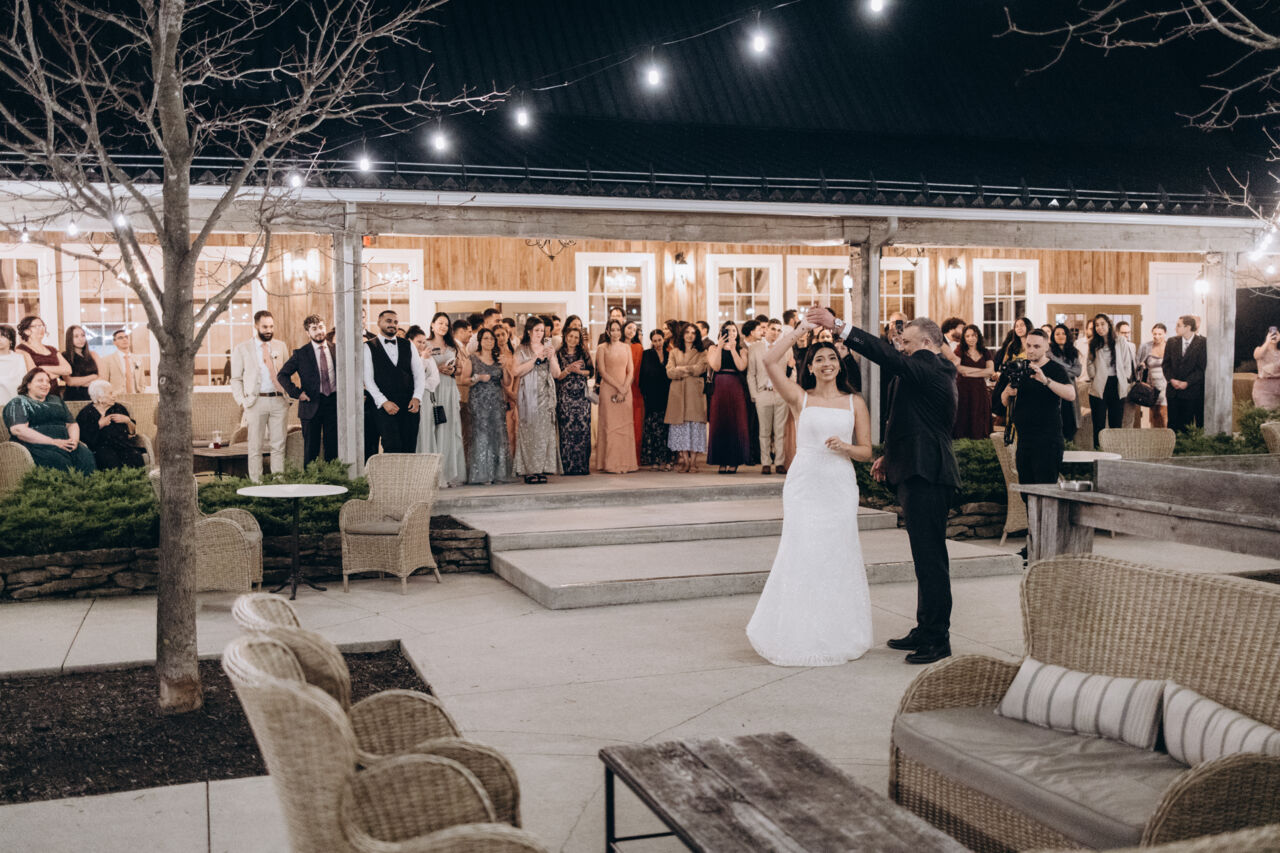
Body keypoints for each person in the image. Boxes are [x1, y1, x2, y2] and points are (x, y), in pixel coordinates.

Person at [807, 307, 959, 665]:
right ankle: (925, 627)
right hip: (916, 468)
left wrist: (838, 326)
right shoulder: (923, 371)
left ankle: (937, 639)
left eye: (907, 343)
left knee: (931, 560)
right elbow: (912, 420)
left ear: (927, 343)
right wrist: (890, 456)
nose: (901, 348)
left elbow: (885, 356)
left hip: (929, 474)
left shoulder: (932, 367)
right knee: (924, 558)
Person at [746, 323, 873, 667]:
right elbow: (770, 362)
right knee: (801, 551)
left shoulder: (854, 402)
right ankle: (797, 629)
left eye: (832, 358)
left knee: (836, 554)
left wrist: (846, 447)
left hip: (839, 484)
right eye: (819, 359)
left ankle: (835, 630)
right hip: (805, 483)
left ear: (840, 365)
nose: (827, 363)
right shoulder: (800, 398)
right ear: (811, 367)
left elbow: (866, 451)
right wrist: (799, 330)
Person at [1001, 330, 1074, 486]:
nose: (1031, 350)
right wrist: (1007, 392)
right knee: (1026, 492)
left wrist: (1045, 380)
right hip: (1024, 439)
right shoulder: (1020, 367)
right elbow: (1004, 402)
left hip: (1048, 439)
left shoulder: (1056, 369)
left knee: (1045, 490)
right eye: (1028, 345)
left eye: (1036, 346)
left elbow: (1071, 394)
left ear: (1046, 347)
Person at [229, 310, 293, 481]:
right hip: (255, 402)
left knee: (278, 446)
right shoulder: (242, 349)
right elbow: (235, 379)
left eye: (271, 326)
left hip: (279, 401)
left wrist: (288, 396)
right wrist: (242, 402)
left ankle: (279, 483)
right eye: (265, 327)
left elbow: (287, 374)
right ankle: (256, 485)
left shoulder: (281, 346)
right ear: (256, 326)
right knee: (255, 447)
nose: (269, 330)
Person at [2, 368, 95, 473]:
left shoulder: (56, 400)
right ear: (28, 384)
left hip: (64, 443)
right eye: (40, 380)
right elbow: (18, 430)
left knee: (86, 456)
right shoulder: (19, 402)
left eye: (48, 381)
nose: (45, 384)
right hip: (37, 446)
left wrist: (74, 441)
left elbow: (71, 424)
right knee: (58, 461)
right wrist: (53, 442)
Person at [363, 309, 429, 455]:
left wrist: (417, 397)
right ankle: (390, 472)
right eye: (388, 321)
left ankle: (407, 472)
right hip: (383, 405)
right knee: (392, 445)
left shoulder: (408, 345)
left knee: (409, 446)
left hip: (409, 404)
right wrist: (384, 402)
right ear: (379, 322)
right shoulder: (368, 347)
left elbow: (419, 374)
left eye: (395, 322)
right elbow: (368, 379)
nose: (392, 324)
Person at [277, 314, 338, 466]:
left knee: (333, 449)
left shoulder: (337, 349)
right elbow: (282, 375)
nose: (319, 331)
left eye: (321, 327)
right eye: (314, 328)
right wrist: (298, 393)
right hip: (311, 405)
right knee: (311, 450)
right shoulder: (301, 354)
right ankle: (311, 480)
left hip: (334, 404)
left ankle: (334, 478)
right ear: (308, 332)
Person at [417, 312, 466, 487]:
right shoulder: (426, 344)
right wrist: (437, 368)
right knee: (431, 428)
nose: (443, 327)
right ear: (432, 325)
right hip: (432, 389)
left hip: (448, 387)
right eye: (440, 323)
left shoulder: (453, 345)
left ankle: (447, 473)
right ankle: (430, 475)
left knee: (448, 428)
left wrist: (452, 370)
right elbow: (419, 368)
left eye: (446, 324)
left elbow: (460, 369)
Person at [510, 317, 561, 483]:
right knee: (529, 432)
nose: (539, 333)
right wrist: (535, 359)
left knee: (544, 432)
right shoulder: (522, 349)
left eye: (542, 331)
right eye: (536, 330)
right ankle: (529, 470)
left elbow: (557, 374)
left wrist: (551, 357)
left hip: (545, 395)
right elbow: (516, 371)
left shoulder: (548, 348)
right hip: (528, 395)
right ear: (529, 331)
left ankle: (542, 468)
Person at [465, 327, 512, 485]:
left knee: (497, 433)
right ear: (480, 341)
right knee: (481, 435)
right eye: (486, 338)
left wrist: (505, 366)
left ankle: (499, 473)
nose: (489, 341)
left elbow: (507, 382)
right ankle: (482, 474)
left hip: (496, 401)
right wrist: (477, 378)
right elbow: (464, 380)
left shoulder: (499, 359)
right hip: (479, 401)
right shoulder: (472, 358)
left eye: (492, 339)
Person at [706, 320, 750, 473]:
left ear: (737, 334)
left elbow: (741, 366)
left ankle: (734, 460)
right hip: (719, 387)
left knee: (736, 423)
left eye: (733, 331)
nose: (730, 333)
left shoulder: (742, 350)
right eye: (727, 330)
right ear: (721, 333)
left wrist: (732, 349)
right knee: (720, 422)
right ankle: (721, 460)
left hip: (736, 386)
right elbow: (716, 366)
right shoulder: (712, 348)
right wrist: (720, 347)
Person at [1085, 313, 1136, 447]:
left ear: (1109, 324)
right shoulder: (1093, 343)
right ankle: (1099, 453)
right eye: (1096, 325)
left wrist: (1125, 378)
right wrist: (1094, 377)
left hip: (1117, 384)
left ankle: (1115, 453)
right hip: (1099, 385)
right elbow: (1089, 363)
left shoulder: (1120, 341)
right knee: (1099, 425)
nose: (1099, 327)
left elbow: (1127, 362)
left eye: (1102, 324)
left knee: (1116, 424)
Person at [596, 318, 638, 474]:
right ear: (607, 331)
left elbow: (631, 371)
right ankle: (609, 463)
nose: (615, 333)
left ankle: (627, 463)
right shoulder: (602, 348)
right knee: (610, 426)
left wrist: (624, 388)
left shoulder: (626, 347)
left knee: (625, 426)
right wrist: (618, 387)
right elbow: (602, 371)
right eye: (612, 330)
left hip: (626, 390)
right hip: (608, 390)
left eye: (618, 330)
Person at [665, 323, 709, 473]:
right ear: (682, 334)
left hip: (695, 393)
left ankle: (694, 462)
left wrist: (681, 369)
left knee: (695, 427)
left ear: (697, 336)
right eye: (687, 332)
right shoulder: (674, 352)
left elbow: (699, 369)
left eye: (693, 333)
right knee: (680, 427)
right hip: (677, 393)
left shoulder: (702, 352)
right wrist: (688, 370)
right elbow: (669, 372)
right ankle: (685, 461)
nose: (690, 335)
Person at [76, 380, 146, 469]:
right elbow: (82, 436)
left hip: (123, 445)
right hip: (101, 449)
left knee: (135, 457)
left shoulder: (119, 408)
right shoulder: (86, 413)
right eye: (110, 393)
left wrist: (128, 421)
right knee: (109, 460)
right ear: (100, 398)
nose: (114, 395)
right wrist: (99, 425)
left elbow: (132, 432)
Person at [748, 319, 788, 474]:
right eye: (773, 329)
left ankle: (779, 462)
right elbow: (751, 374)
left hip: (781, 394)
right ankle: (765, 462)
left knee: (780, 431)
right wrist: (755, 395)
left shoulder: (785, 347)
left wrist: (788, 391)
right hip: (763, 392)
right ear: (767, 330)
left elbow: (792, 371)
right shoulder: (755, 348)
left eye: (779, 330)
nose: (776, 333)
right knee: (764, 431)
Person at [553, 326, 593, 475]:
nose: (573, 340)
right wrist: (568, 369)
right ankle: (567, 466)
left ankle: (582, 467)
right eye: (571, 336)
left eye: (576, 337)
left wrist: (580, 372)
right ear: (565, 336)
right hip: (565, 398)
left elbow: (591, 372)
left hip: (582, 398)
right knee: (566, 431)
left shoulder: (583, 352)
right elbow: (557, 376)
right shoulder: (558, 353)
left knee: (583, 430)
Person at [638, 329, 675, 470]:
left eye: (659, 340)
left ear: (663, 339)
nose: (658, 343)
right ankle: (654, 460)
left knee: (666, 429)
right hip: (652, 397)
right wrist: (645, 394)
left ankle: (667, 460)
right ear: (651, 342)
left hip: (667, 396)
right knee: (653, 429)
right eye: (655, 341)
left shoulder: (669, 354)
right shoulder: (646, 354)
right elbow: (642, 376)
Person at [1163, 315, 1207, 433]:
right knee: (1172, 425)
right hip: (1173, 391)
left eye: (1178, 325)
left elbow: (1201, 368)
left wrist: (1187, 383)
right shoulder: (1171, 342)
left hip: (1191, 392)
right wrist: (1171, 379)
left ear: (1188, 327)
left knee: (1187, 426)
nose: (1175, 328)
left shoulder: (1203, 343)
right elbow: (1166, 364)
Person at [952, 324, 994, 439]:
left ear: (978, 336)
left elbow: (990, 371)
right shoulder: (960, 350)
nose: (971, 338)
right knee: (964, 417)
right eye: (967, 336)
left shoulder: (985, 352)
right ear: (964, 338)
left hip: (980, 390)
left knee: (980, 416)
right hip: (963, 390)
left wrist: (969, 373)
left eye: (973, 335)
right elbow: (958, 368)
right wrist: (982, 371)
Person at [15, 316, 70, 396]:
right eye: (36, 326)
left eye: (42, 326)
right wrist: (57, 373)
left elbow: (68, 369)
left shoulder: (52, 349)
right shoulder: (21, 349)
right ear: (26, 331)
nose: (41, 328)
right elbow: (32, 373)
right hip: (35, 395)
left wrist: (41, 367)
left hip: (54, 393)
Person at [1049, 323, 1083, 441]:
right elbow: (1053, 371)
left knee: (1070, 423)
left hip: (1071, 390)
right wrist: (1069, 369)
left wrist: (1061, 369)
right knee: (1057, 423)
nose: (1061, 336)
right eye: (1057, 334)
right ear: (1053, 337)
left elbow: (1078, 371)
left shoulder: (1073, 351)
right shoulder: (1049, 353)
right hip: (1055, 390)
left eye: (1063, 333)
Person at [1136, 324, 1169, 428]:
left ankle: (1166, 436)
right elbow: (1137, 363)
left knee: (1163, 413)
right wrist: (1141, 365)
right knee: (1154, 414)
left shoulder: (1169, 346)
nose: (1157, 336)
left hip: (1166, 385)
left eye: (1160, 334)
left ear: (1165, 334)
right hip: (1152, 385)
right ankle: (1155, 435)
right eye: (1155, 334)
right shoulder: (1146, 346)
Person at [60, 325, 100, 402]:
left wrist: (79, 382)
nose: (81, 339)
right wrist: (93, 376)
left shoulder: (93, 354)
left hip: (94, 396)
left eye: (83, 335)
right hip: (74, 397)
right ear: (70, 339)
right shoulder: (64, 356)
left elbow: (103, 377)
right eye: (76, 336)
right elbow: (70, 381)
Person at [623, 320, 645, 454]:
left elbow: (636, 369)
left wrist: (627, 384)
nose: (632, 331)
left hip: (634, 388)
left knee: (635, 421)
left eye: (635, 330)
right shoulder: (617, 345)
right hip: (617, 385)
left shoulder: (638, 347)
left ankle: (635, 454)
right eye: (629, 328)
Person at [100, 329, 145, 394]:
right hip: (117, 397)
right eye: (120, 338)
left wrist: (141, 392)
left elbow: (142, 380)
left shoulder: (138, 359)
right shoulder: (107, 360)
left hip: (136, 396)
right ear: (114, 342)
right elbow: (105, 383)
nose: (124, 339)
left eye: (126, 337)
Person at [1114, 320, 1142, 427]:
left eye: (1128, 332)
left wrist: (1139, 367)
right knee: (1118, 414)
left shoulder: (1132, 345)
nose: (1126, 335)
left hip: (1131, 384)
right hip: (1119, 384)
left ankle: (1128, 434)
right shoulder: (1114, 346)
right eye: (1123, 333)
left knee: (1130, 414)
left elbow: (1132, 363)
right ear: (1117, 333)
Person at [1252, 327, 1280, 409]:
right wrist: (1268, 341)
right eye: (1271, 334)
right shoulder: (1259, 349)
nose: (1274, 336)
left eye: (1276, 334)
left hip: (1278, 388)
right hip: (1263, 390)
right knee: (1266, 414)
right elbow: (1257, 356)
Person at [0, 324, 25, 404]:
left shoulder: (19, 358)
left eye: (2, 336)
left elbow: (22, 380)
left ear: (11, 340)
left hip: (14, 401)